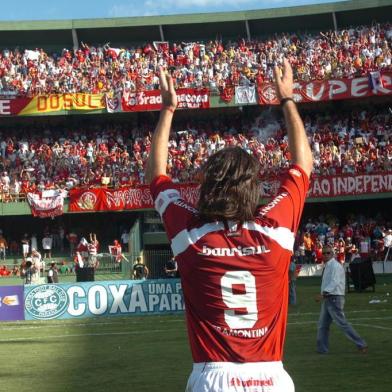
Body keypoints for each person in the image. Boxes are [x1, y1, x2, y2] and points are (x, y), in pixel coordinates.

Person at [145, 60, 313, 392]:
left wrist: (167, 109)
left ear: (207, 187)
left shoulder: (189, 236)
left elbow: (156, 177)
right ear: (253, 189)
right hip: (272, 378)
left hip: (214, 377)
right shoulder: (275, 232)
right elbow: (302, 166)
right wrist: (287, 99)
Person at [316, 245, 367, 354]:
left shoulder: (335, 266)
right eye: (324, 253)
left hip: (334, 298)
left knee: (342, 323)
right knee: (322, 325)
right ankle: (322, 349)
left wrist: (324, 293)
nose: (325, 255)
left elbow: (335, 281)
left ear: (333, 254)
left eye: (328, 253)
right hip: (329, 298)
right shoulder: (328, 266)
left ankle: (361, 343)